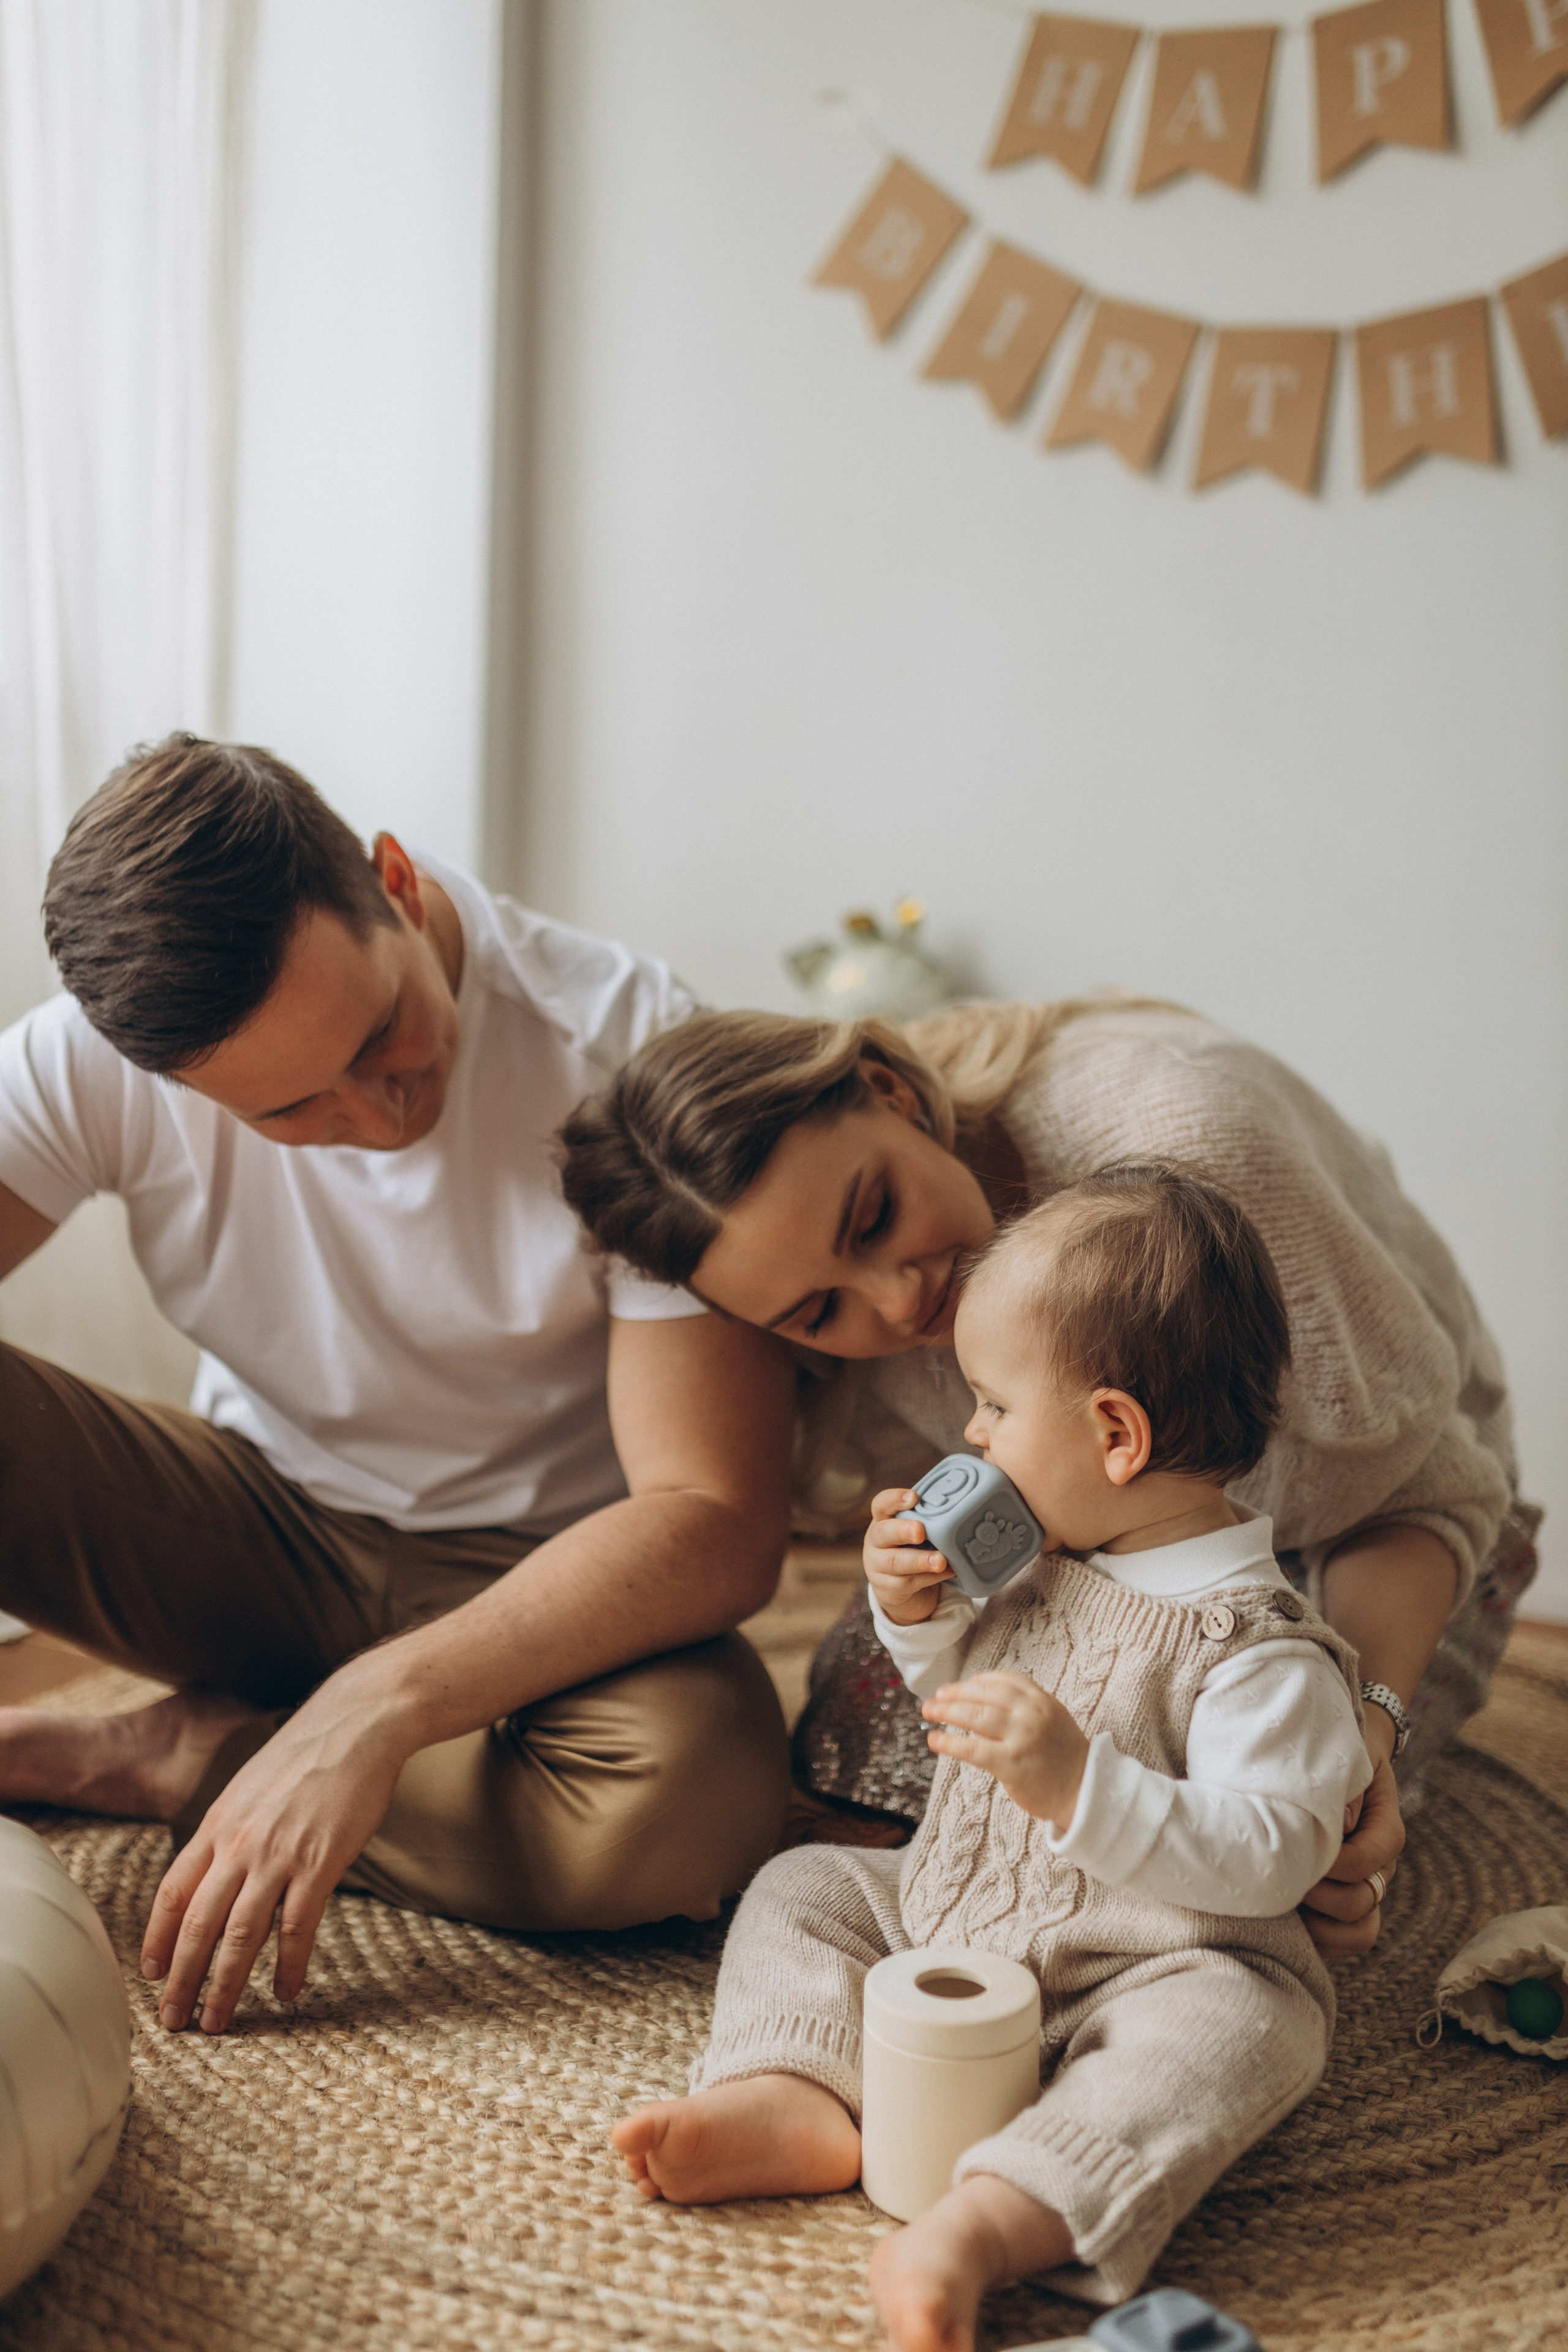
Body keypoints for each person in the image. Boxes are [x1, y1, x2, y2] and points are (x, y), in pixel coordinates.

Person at [0, 734, 796, 2038]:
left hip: (547, 1588)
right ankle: (286, 1727)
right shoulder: (103, 1058)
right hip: (254, 1531)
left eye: (382, 1037)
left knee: (685, 1805)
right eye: (289, 1112)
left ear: (392, 883)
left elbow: (713, 1519)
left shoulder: (636, 1050)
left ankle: (169, 1754)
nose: (375, 1119)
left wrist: (381, 1705)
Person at [559, 998, 1539, 1958]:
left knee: (1272, 1828)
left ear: (889, 1091)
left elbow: (1434, 1493)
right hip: (1113, 1565)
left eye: (873, 1217)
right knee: (878, 1738)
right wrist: (918, 1599)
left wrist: (1366, 1726)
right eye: (818, 1313)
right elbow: (1011, 1574)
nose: (902, 1303)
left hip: (1393, 1550)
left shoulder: (1199, 1147)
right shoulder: (874, 1337)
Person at [612, 1170, 1373, 2349]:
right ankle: (793, 2093)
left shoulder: (1259, 1650)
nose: (972, 1437)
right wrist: (913, 1615)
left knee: (1247, 2032)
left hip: (1150, 1965)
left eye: (994, 1406)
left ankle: (986, 2220)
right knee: (803, 1886)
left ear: (1115, 1435)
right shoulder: (1043, 1565)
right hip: (952, 1910)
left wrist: (1085, 1787)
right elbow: (957, 1710)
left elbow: (1277, 1854)